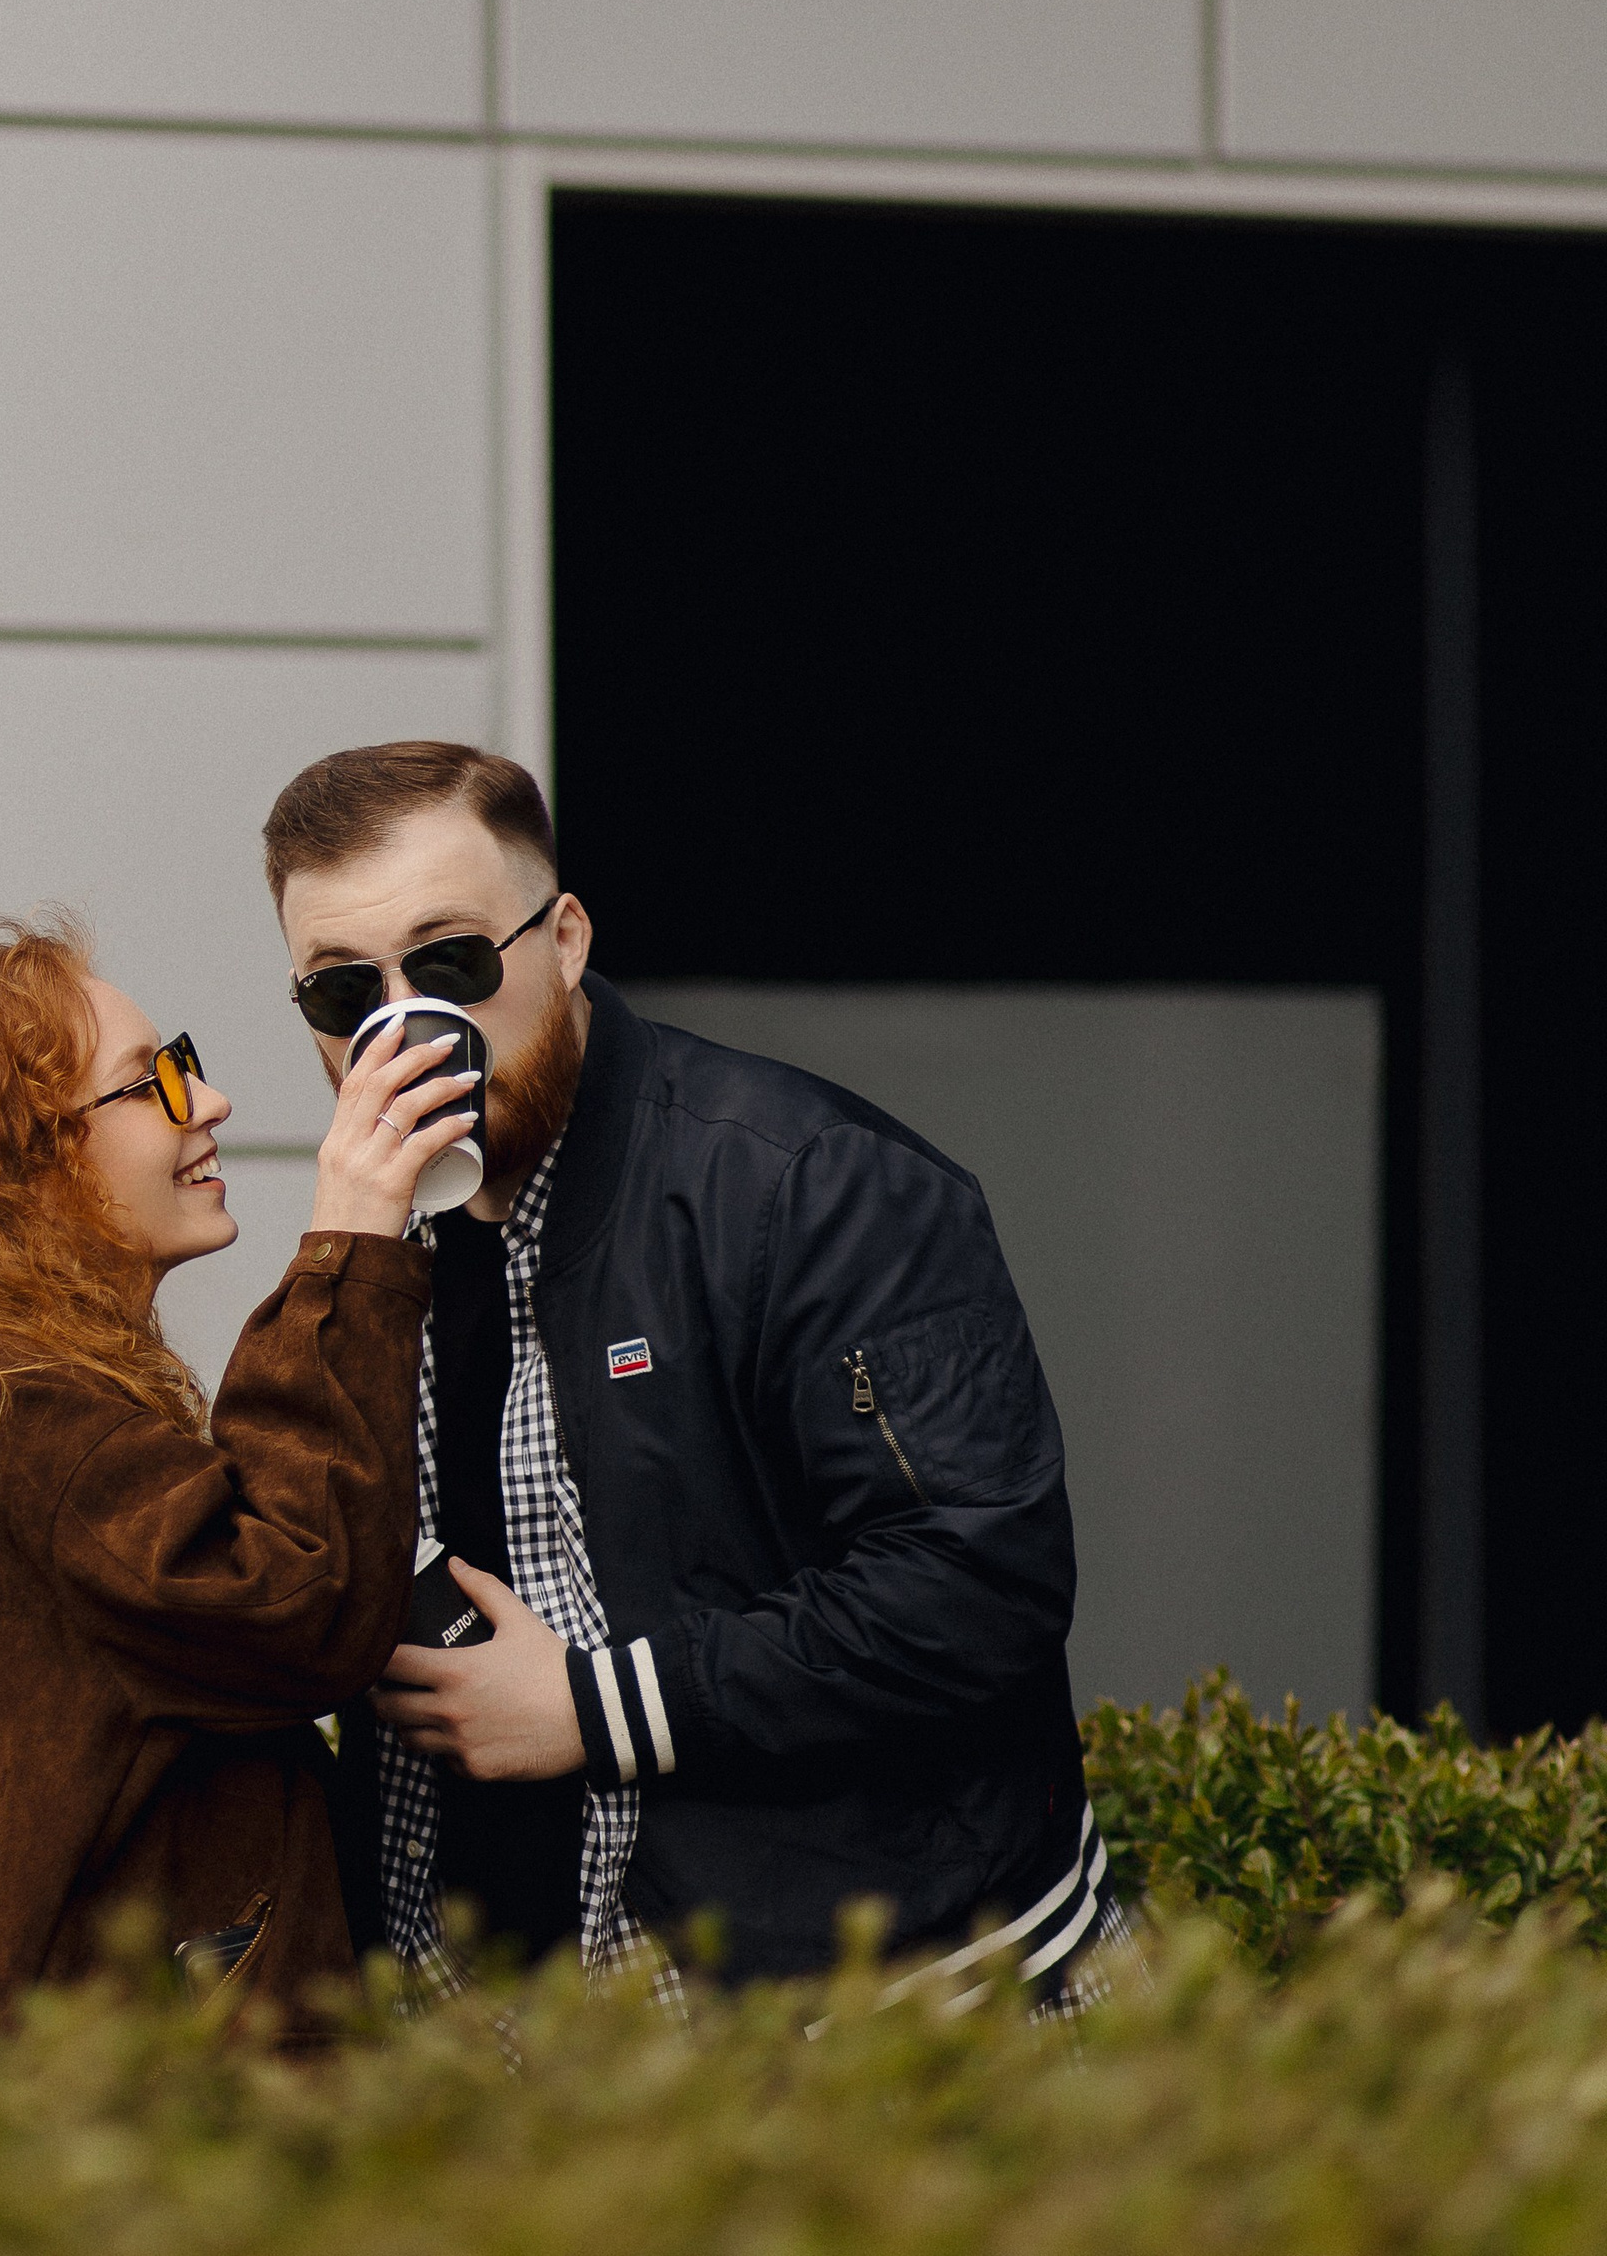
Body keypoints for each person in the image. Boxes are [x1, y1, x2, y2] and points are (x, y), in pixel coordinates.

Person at [264, 741, 1123, 2006]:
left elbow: (976, 1579)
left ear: (562, 937)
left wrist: (594, 1707)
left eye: (449, 962)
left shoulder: (807, 1179)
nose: (401, 1027)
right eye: (345, 993)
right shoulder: (379, 1229)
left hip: (869, 2026)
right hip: (491, 2054)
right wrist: (344, 1248)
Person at [0, 917, 477, 2018]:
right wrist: (351, 1240)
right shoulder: (7, 1411)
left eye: (187, 1064)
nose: (207, 1102)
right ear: (26, 1155)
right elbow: (299, 1598)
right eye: (152, 1081)